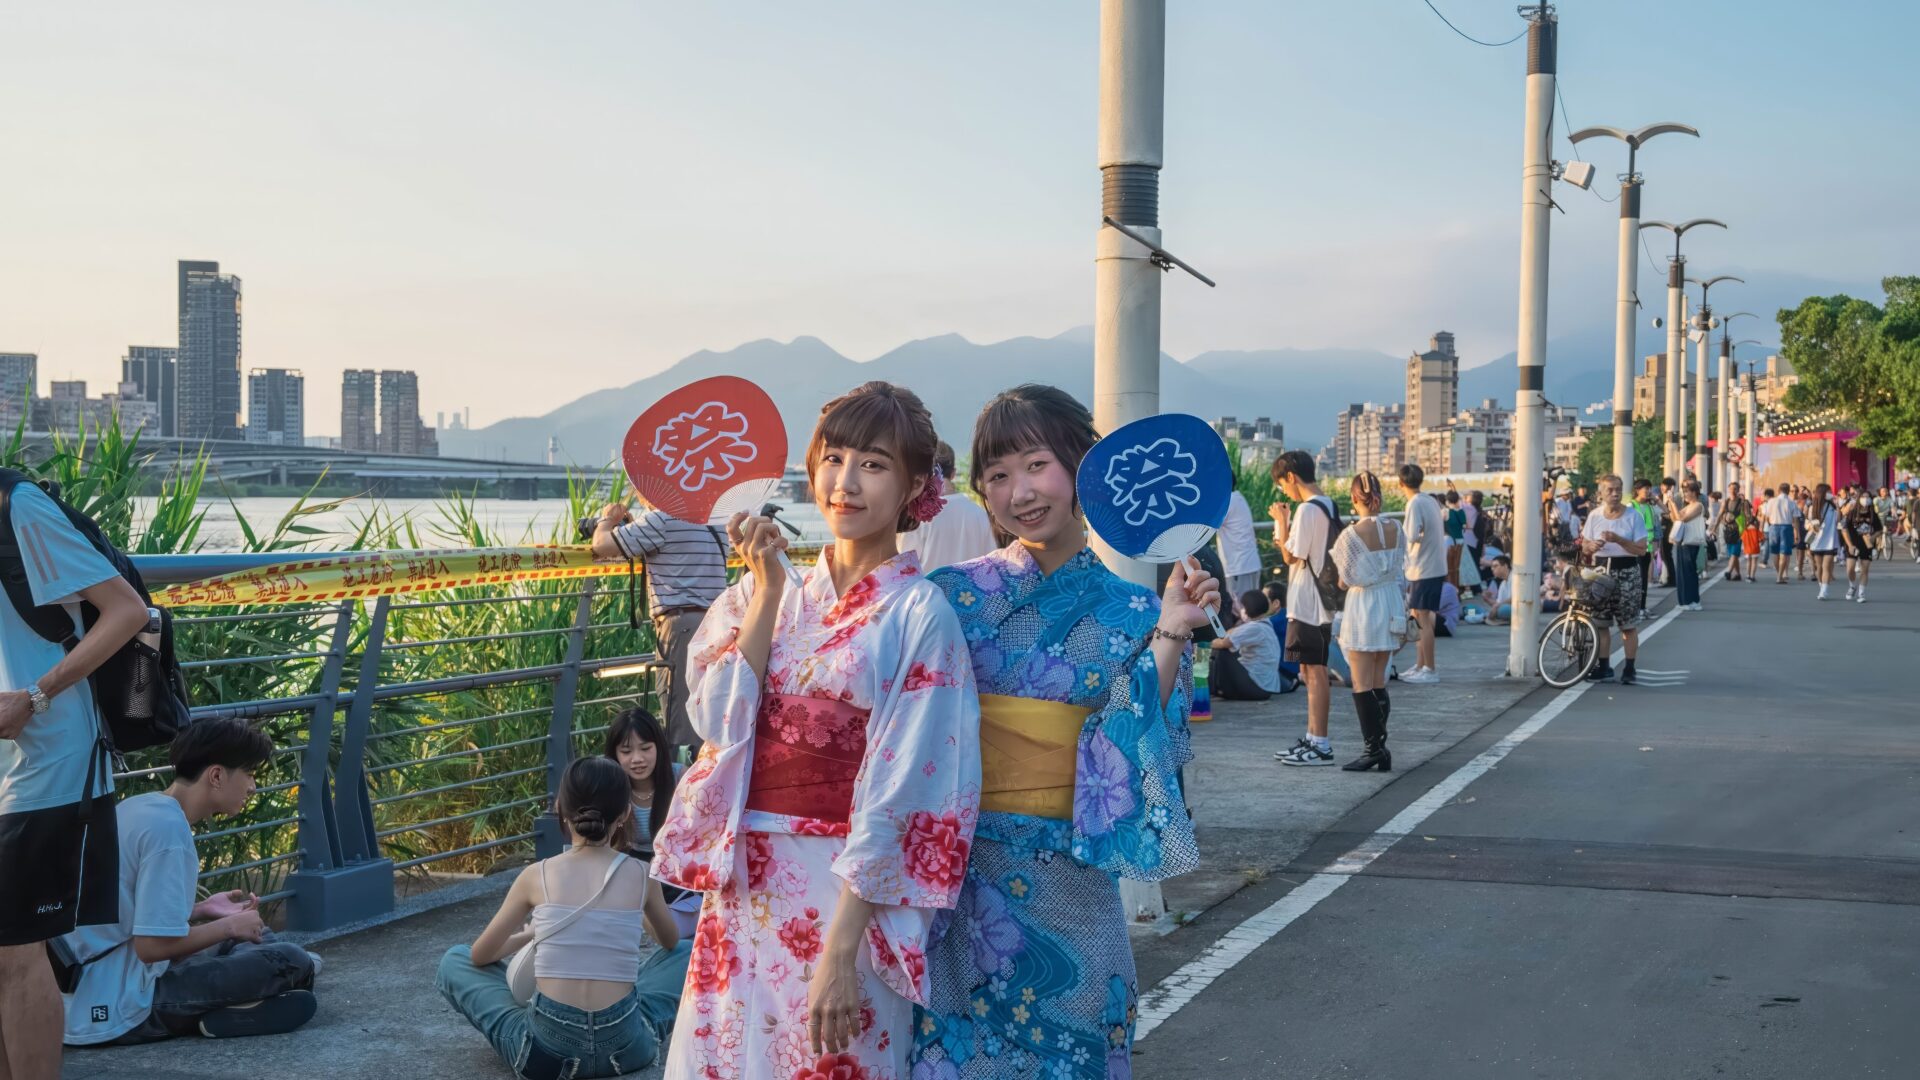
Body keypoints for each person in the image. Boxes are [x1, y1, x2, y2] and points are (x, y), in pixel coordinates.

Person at [650, 381, 980, 1079]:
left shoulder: (921, 615)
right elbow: (713, 721)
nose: (846, 482)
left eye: (874, 464)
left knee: (828, 1058)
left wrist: (841, 949)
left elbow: (908, 787)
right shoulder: (762, 590)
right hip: (744, 877)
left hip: (843, 893)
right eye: (834, 458)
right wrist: (768, 594)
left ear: (915, 483)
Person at [912, 384, 1212, 1079]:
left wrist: (1170, 628)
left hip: (1073, 883)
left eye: (1037, 464)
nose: (1020, 491)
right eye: (997, 476)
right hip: (961, 889)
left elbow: (1136, 745)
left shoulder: (1135, 607)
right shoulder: (948, 595)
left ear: (1082, 465)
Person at [1, 474, 149, 1080]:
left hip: (49, 763)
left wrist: (35, 697)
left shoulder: (20, 508)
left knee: (15, 949)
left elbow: (126, 611)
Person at [60, 719, 319, 1047]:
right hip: (119, 1004)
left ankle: (245, 997)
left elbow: (119, 914)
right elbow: (150, 947)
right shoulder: (170, 832)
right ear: (216, 775)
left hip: (84, 986)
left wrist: (202, 909)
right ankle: (228, 1006)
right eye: (249, 774)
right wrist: (229, 927)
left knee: (257, 937)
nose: (253, 787)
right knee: (293, 959)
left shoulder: (140, 808)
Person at [438, 756, 687, 1078]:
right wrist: (632, 907)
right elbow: (669, 943)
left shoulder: (535, 875)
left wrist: (532, 933)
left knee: (454, 960)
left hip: (547, 1056)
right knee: (686, 953)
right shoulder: (642, 875)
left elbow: (479, 955)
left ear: (560, 809)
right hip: (625, 1049)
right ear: (625, 813)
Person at [591, 495, 731, 761]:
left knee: (678, 716)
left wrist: (606, 520)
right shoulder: (714, 521)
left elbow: (602, 545)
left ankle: (681, 790)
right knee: (706, 710)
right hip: (715, 625)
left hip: (682, 628)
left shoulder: (663, 519)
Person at [1330, 471, 1405, 773]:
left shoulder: (1350, 535)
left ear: (1353, 498)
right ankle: (1380, 749)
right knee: (1378, 679)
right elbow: (1399, 566)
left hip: (1365, 604)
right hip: (1390, 601)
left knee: (1361, 682)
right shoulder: (1397, 527)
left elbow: (1344, 581)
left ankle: (1373, 749)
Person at [604, 708, 701, 941]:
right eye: (626, 751)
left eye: (646, 748)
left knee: (675, 931)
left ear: (658, 746)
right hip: (633, 870)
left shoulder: (681, 778)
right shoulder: (610, 785)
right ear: (614, 754)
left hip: (678, 873)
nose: (637, 759)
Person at [1270, 451, 1341, 764]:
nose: (1284, 491)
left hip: (1309, 601)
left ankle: (1321, 743)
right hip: (1320, 600)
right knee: (1310, 669)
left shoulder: (1308, 510)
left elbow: (1290, 556)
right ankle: (1313, 738)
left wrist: (1281, 521)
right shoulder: (1327, 504)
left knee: (1315, 671)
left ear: (1291, 477)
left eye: (1282, 484)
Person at [1578, 475, 1648, 685]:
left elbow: (1641, 549)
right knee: (1601, 622)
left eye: (1618, 490)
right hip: (1601, 571)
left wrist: (1618, 539)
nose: (1615, 494)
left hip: (1626, 571)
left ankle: (1629, 667)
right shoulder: (1594, 516)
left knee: (1627, 624)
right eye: (1610, 490)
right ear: (1601, 493)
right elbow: (1585, 544)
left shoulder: (1633, 516)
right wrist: (1589, 548)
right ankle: (1604, 666)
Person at [897, 439, 997, 572]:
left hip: (927, 592)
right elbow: (993, 563)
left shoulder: (918, 516)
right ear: (954, 473)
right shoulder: (981, 514)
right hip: (972, 592)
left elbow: (904, 567)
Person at [1399, 463, 1448, 686]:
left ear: (1401, 483)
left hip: (1423, 568)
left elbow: (1410, 536)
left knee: (1423, 620)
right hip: (1434, 566)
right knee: (1419, 617)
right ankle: (1420, 666)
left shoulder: (1414, 504)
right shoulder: (1430, 500)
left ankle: (1429, 668)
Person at [1211, 590, 1282, 701]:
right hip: (1265, 688)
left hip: (1257, 687)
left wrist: (1206, 643)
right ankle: (1219, 688)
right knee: (1228, 647)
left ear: (1248, 608)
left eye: (1243, 607)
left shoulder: (1254, 628)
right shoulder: (1264, 624)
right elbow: (1229, 634)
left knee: (1222, 650)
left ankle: (1214, 688)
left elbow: (1225, 642)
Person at [1216, 488, 1263, 601]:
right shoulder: (1238, 498)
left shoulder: (1227, 502)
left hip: (1239, 568)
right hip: (1248, 565)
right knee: (1250, 612)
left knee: (1241, 612)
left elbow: (1206, 523)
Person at [1669, 481, 1708, 612]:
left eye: (1687, 491)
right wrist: (1670, 504)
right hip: (1683, 541)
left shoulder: (1698, 505)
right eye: (1684, 491)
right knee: (1683, 572)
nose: (1685, 494)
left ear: (1694, 492)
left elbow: (1682, 519)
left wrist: (1673, 504)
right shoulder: (1688, 506)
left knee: (1689, 572)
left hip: (1691, 542)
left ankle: (1693, 600)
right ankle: (1685, 601)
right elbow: (1675, 518)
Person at [1840, 489, 1882, 603]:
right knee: (1850, 569)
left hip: (1867, 546)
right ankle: (1852, 586)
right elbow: (1844, 530)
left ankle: (1861, 593)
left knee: (1865, 570)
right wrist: (1849, 545)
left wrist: (1872, 538)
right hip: (1853, 544)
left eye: (1868, 497)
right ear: (1859, 499)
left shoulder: (1873, 514)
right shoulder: (1852, 513)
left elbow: (1879, 530)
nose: (1866, 499)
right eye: (1863, 496)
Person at [1262, 580, 1302, 692]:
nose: (1260, 602)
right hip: (1291, 677)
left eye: (1263, 599)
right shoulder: (1291, 616)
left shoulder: (1275, 621)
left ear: (1276, 604)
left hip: (1282, 678)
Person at [1806, 484, 1841, 600]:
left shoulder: (1832, 506)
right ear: (1822, 493)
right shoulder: (1813, 508)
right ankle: (1822, 586)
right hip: (1817, 542)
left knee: (1826, 567)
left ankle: (1824, 591)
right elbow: (1809, 524)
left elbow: (1837, 521)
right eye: (1829, 491)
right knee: (1819, 567)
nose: (1831, 493)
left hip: (1830, 542)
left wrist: (1838, 506)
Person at [1762, 484, 1800, 584]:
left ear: (1778, 490)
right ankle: (1780, 577)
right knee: (1784, 553)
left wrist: (1767, 525)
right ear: (1788, 491)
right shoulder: (1791, 502)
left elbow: (1765, 516)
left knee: (1775, 553)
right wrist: (1797, 534)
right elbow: (1795, 520)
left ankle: (1779, 573)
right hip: (1786, 527)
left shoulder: (1771, 501)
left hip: (1773, 527)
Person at [1716, 482, 1746, 581]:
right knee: (1733, 555)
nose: (1733, 491)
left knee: (1734, 553)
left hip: (1738, 532)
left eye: (1735, 489)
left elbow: (1748, 517)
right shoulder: (1726, 501)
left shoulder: (1743, 503)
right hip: (1728, 531)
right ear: (1728, 490)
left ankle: (1728, 571)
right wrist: (1714, 528)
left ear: (1738, 490)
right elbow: (1719, 515)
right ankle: (1737, 574)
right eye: (1731, 489)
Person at [1655, 477, 1679, 587]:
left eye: (1664, 486)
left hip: (1669, 527)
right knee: (1663, 554)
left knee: (1666, 553)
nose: (1662, 487)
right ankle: (1669, 577)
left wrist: (1663, 514)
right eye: (1662, 485)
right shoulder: (1659, 497)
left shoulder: (1674, 498)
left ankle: (1672, 579)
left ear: (1670, 487)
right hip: (1661, 528)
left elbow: (1673, 515)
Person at [1442, 489, 1466, 588]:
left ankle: (1452, 587)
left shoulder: (1444, 512)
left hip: (1450, 541)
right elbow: (1465, 526)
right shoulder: (1461, 512)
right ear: (1457, 500)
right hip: (1461, 540)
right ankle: (1464, 588)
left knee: (1450, 565)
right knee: (1461, 565)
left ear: (1447, 501)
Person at [1483, 556, 1514, 625]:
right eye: (1492, 567)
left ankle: (1487, 618)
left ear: (1505, 566)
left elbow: (1516, 598)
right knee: (1470, 612)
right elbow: (1497, 604)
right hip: (1505, 608)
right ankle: (1483, 617)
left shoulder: (1515, 577)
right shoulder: (1503, 583)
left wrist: (1498, 605)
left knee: (1504, 610)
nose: (1492, 569)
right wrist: (1487, 599)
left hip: (1516, 610)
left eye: (1495, 566)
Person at [1741, 515, 1764, 583]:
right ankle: (1752, 576)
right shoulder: (1756, 530)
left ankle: (1748, 575)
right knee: (1754, 562)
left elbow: (1742, 539)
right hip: (1755, 548)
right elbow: (1762, 538)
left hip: (1747, 548)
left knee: (1748, 562)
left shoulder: (1745, 531)